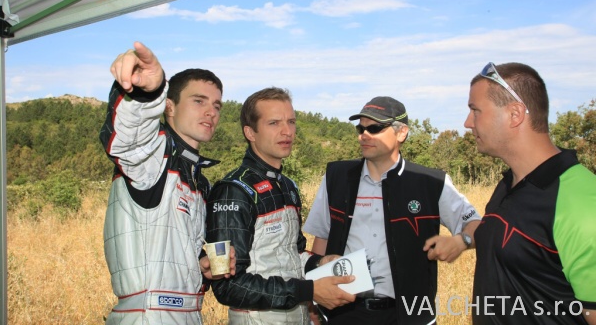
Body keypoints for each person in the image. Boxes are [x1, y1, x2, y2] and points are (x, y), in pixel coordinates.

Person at [303, 96, 481, 324]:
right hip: (342, 312)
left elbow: (476, 225)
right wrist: (315, 298)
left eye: (375, 128)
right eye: (360, 128)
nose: (364, 135)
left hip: (408, 316)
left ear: (401, 133)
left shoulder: (432, 183)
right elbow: (322, 238)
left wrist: (462, 241)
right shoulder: (336, 177)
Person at [100, 41, 235, 325]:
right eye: (199, 101)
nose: (211, 112)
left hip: (188, 314)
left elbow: (173, 255)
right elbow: (130, 139)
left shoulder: (199, 180)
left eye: (217, 105)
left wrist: (202, 266)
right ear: (169, 107)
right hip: (148, 316)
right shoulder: (155, 157)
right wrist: (146, 92)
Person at [205, 87, 356, 324]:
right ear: (250, 132)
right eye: (274, 123)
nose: (287, 131)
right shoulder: (232, 190)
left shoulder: (288, 186)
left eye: (291, 122)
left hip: (299, 316)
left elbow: (293, 254)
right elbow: (228, 286)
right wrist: (308, 291)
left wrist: (319, 262)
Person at [465, 62, 596, 325]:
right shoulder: (507, 184)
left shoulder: (580, 200)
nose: (468, 123)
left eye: (475, 111)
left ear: (515, 114)